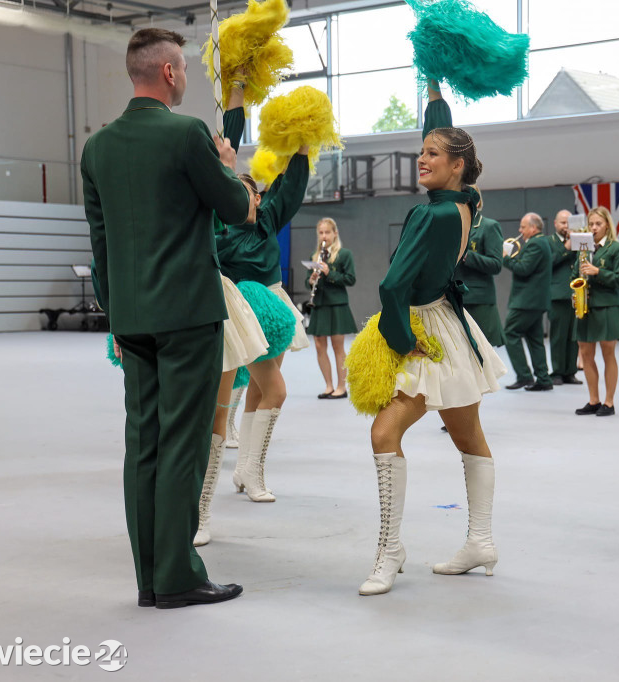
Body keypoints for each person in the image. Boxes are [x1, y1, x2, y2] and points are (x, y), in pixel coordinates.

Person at [83, 28, 253, 608]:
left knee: (144, 444)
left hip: (131, 317)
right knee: (184, 443)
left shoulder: (97, 147)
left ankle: (148, 578)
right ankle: (179, 577)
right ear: (171, 73)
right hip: (186, 312)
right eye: (183, 69)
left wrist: (115, 313)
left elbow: (100, 243)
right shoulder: (187, 135)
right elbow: (236, 210)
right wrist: (229, 165)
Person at [356, 83, 506, 596]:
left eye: (431, 154)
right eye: (422, 151)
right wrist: (435, 96)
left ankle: (389, 549)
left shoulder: (429, 213)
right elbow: (444, 143)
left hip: (424, 330)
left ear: (457, 164)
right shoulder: (467, 205)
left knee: (383, 434)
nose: (422, 158)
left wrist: (398, 339)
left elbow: (392, 285)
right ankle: (481, 540)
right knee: (469, 436)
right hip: (451, 323)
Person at [216, 83, 309, 501]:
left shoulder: (268, 219)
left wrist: (304, 135)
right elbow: (226, 149)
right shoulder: (219, 231)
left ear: (258, 196)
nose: (246, 197)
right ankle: (249, 472)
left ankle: (247, 471)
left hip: (274, 308)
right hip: (242, 309)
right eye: (234, 191)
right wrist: (234, 95)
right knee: (272, 390)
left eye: (250, 190)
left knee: (260, 388)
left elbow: (293, 182)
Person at [573, 207, 619, 417]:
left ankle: (609, 402)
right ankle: (593, 400)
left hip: (607, 307)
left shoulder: (617, 249)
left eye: (598, 224)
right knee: (586, 354)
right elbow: (574, 274)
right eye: (591, 224)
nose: (594, 228)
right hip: (585, 308)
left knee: (608, 354)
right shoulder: (583, 249)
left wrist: (598, 272)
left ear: (607, 225)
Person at [306, 217, 358, 399]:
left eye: (327, 232)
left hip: (336, 305)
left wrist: (329, 273)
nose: (324, 236)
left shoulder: (344, 254)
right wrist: (311, 279)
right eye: (321, 233)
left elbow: (350, 279)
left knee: (338, 347)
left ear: (335, 233)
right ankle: (328, 386)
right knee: (320, 346)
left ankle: (341, 387)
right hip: (319, 304)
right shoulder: (315, 256)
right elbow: (308, 282)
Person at [502, 212, 553, 391]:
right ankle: (543, 379)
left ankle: (524, 376)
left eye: (523, 227)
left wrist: (505, 257)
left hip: (526, 301)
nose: (520, 230)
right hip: (535, 301)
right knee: (535, 339)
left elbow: (523, 269)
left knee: (509, 333)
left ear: (533, 228)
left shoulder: (536, 244)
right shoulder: (541, 242)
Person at [454, 188, 505, 348]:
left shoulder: (489, 226)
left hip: (479, 300)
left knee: (482, 354)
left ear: (477, 202)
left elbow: (496, 264)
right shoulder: (452, 227)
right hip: (453, 298)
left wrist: (468, 256)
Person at [547, 209, 582, 385]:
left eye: (569, 223)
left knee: (573, 336)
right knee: (558, 336)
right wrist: (566, 247)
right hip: (557, 295)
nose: (566, 226)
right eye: (562, 222)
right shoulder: (549, 242)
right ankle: (557, 371)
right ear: (555, 224)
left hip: (576, 295)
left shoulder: (579, 241)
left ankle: (570, 371)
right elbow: (548, 263)